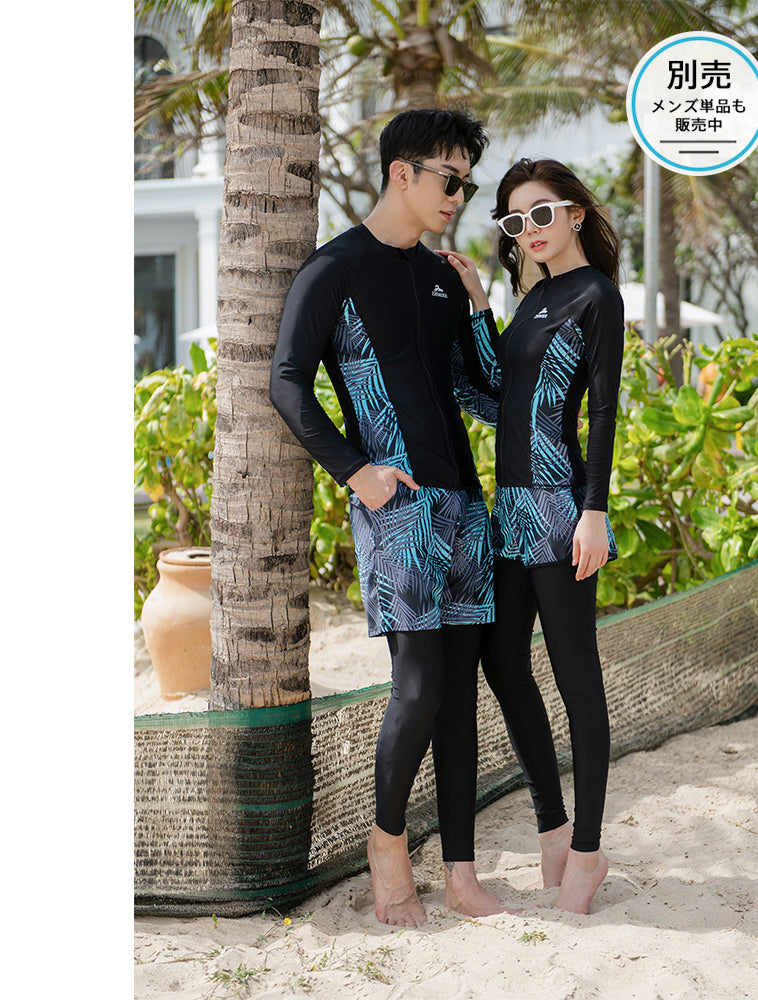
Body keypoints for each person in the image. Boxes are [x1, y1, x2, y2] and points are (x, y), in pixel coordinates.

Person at [269, 108, 509, 928]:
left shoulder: (441, 275)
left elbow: (484, 395)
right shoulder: (334, 269)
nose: (460, 196)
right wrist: (356, 472)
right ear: (402, 173)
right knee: (418, 688)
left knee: (460, 695)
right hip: (398, 506)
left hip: (463, 506)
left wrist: (478, 306)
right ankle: (387, 844)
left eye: (467, 184)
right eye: (451, 179)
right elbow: (288, 381)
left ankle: (463, 876)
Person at [440, 157, 624, 915]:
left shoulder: (595, 296)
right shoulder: (535, 297)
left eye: (541, 214)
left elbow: (603, 410)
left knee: (578, 681)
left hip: (561, 510)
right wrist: (480, 307)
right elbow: (500, 396)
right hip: (511, 511)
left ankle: (588, 850)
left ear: (575, 213)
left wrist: (594, 511)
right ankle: (553, 827)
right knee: (502, 662)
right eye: (515, 222)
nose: (529, 231)